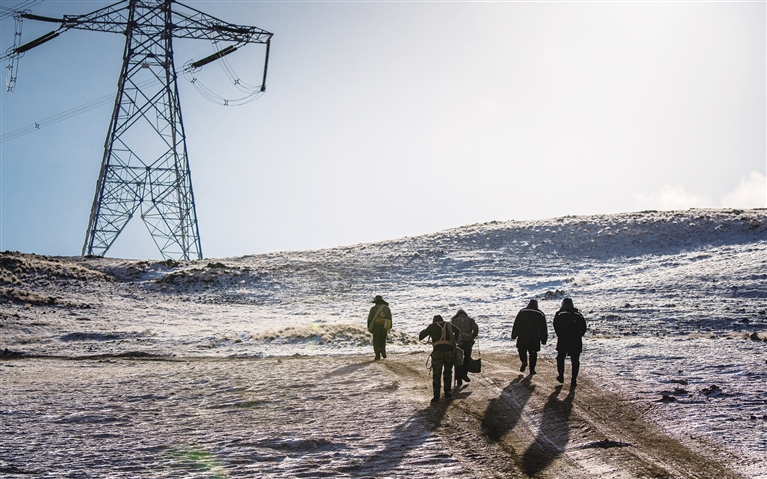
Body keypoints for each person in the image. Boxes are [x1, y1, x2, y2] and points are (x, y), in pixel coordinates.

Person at [419, 315, 457, 403]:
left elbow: (421, 336)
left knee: (437, 374)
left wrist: (429, 332)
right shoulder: (448, 325)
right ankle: (448, 394)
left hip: (437, 352)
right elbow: (457, 331)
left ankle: (436, 397)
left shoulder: (432, 326)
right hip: (449, 352)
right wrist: (454, 341)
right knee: (448, 372)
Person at [553, 298, 587, 386]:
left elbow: (556, 326)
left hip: (563, 340)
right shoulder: (578, 315)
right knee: (575, 360)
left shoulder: (559, 314)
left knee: (560, 358)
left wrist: (561, 335)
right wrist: (578, 335)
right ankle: (574, 379)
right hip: (576, 341)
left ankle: (561, 375)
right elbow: (584, 328)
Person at [511, 299, 548, 375]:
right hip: (534, 337)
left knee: (521, 350)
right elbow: (543, 328)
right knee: (533, 353)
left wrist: (514, 335)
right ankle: (532, 369)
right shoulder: (540, 314)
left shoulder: (522, 311)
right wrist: (543, 339)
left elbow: (516, 324)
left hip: (523, 336)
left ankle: (524, 361)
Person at [451, 309, 478, 388]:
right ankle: (464, 374)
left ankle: (458, 379)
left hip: (458, 343)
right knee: (467, 358)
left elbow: (450, 331)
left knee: (457, 359)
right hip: (468, 342)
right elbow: (476, 329)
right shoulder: (470, 320)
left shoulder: (453, 321)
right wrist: (473, 336)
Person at [367, 295, 392, 360]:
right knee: (383, 340)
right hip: (384, 326)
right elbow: (389, 318)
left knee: (376, 341)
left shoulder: (373, 309)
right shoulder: (387, 308)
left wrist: (369, 327)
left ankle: (377, 355)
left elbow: (370, 319)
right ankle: (383, 350)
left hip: (376, 326)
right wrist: (389, 327)